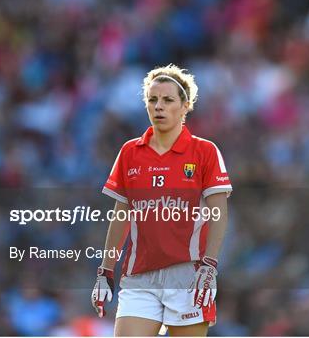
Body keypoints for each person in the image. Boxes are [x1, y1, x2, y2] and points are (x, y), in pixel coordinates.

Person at [91, 64, 232, 337]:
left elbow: (218, 214)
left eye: (168, 100)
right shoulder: (130, 152)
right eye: (152, 100)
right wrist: (106, 269)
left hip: (188, 275)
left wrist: (210, 264)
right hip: (138, 276)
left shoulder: (204, 151)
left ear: (185, 105)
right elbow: (121, 215)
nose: (159, 106)